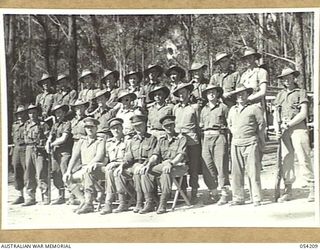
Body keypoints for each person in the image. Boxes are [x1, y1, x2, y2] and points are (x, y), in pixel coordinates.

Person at [274, 67, 314, 202]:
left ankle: (312, 187)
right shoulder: (280, 95)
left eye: (289, 77)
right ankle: (288, 190)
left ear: (294, 78)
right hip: (284, 131)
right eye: (284, 78)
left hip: (298, 128)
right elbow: (276, 112)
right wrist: (276, 127)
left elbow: (303, 113)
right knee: (286, 160)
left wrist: (289, 124)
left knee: (304, 158)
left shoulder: (301, 92)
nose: (286, 80)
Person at [227, 85, 266, 206]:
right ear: (235, 97)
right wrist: (233, 130)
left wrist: (256, 137)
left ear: (247, 95)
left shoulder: (254, 108)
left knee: (253, 171)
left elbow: (261, 124)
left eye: (243, 94)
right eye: (238, 94)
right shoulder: (232, 110)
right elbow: (229, 124)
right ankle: (238, 197)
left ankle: (256, 198)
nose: (241, 96)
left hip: (250, 142)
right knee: (236, 172)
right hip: (236, 143)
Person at [142, 115, 188, 214]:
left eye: (171, 125)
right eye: (166, 126)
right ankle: (150, 201)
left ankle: (163, 203)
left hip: (179, 166)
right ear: (163, 127)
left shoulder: (181, 138)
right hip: (164, 165)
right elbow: (155, 155)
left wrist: (171, 163)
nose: (169, 128)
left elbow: (180, 155)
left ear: (174, 125)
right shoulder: (161, 140)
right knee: (146, 172)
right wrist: (148, 164)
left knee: (165, 171)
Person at [114, 115, 158, 214]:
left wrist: (143, 165)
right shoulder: (132, 141)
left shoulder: (152, 138)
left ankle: (146, 202)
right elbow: (128, 158)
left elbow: (153, 156)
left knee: (139, 172)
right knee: (118, 173)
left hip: (147, 166)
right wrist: (121, 166)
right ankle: (123, 202)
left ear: (145, 124)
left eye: (140, 125)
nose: (137, 128)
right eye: (135, 126)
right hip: (134, 166)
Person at [63, 117, 105, 214]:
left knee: (87, 173)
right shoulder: (82, 141)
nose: (89, 129)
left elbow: (99, 156)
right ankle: (83, 201)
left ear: (96, 128)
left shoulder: (100, 140)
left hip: (96, 167)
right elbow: (74, 157)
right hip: (84, 167)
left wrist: (88, 166)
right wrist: (68, 171)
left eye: (92, 127)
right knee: (66, 178)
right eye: (87, 127)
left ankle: (89, 204)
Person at [200, 85, 230, 205]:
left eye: (213, 92)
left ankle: (224, 193)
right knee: (207, 166)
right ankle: (213, 192)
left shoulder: (223, 107)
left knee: (221, 165)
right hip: (206, 138)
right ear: (206, 95)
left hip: (219, 137)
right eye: (209, 93)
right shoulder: (203, 109)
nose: (211, 94)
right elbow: (201, 125)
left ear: (217, 94)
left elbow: (229, 124)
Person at [172, 82, 201, 204]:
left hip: (192, 141)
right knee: (180, 166)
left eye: (184, 92)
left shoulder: (194, 107)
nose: (182, 95)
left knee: (193, 168)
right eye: (179, 93)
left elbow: (199, 125)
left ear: (189, 93)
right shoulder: (175, 108)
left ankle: (194, 193)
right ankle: (182, 193)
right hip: (180, 142)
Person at [100, 118, 130, 214]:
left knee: (115, 172)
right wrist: (102, 165)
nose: (116, 131)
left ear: (122, 128)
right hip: (112, 166)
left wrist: (117, 164)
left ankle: (118, 202)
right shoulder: (109, 142)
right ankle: (111, 203)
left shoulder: (127, 140)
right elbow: (106, 158)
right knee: (109, 170)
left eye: (118, 128)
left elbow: (129, 157)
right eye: (113, 129)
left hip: (125, 165)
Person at [46, 104, 73, 205]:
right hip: (55, 152)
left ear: (64, 113)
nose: (58, 115)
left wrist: (52, 143)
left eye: (60, 112)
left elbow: (64, 138)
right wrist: (47, 144)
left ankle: (72, 195)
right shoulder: (55, 125)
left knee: (65, 172)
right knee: (56, 172)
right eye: (56, 113)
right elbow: (50, 136)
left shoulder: (67, 123)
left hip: (65, 151)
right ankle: (61, 196)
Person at [23, 104, 49, 206]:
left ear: (37, 113)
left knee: (41, 172)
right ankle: (30, 197)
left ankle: (45, 196)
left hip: (39, 150)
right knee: (29, 173)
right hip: (29, 148)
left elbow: (48, 137)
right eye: (30, 113)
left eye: (34, 112)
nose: (32, 115)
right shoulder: (26, 124)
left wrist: (43, 144)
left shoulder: (43, 124)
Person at [11, 105, 27, 204]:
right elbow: (13, 138)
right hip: (16, 149)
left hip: (25, 148)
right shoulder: (14, 125)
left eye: (22, 113)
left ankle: (29, 195)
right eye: (18, 114)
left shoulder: (28, 124)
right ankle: (20, 195)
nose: (20, 116)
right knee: (17, 171)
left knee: (27, 171)